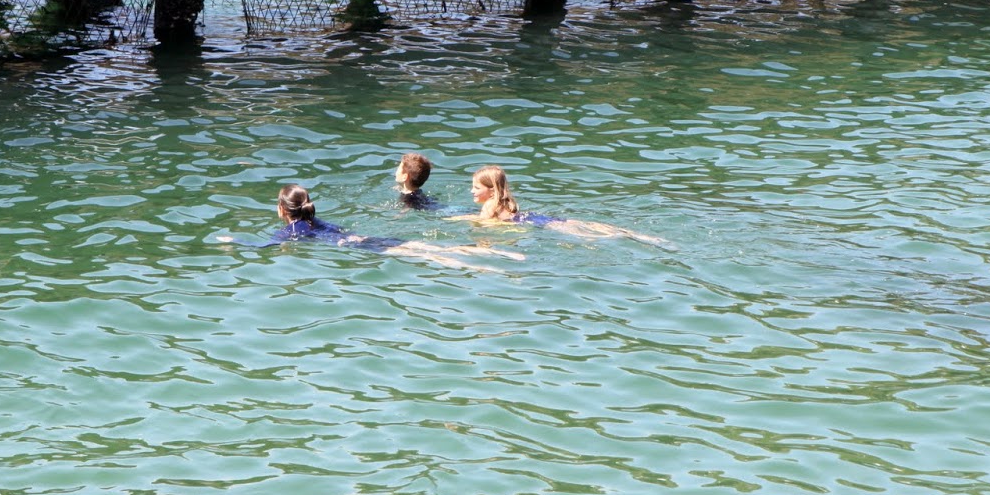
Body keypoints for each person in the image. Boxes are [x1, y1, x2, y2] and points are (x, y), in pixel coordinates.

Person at [216, 184, 524, 271]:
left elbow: (263, 246)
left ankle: (491, 266)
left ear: (282, 209)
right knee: (422, 248)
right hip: (362, 238)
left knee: (426, 255)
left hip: (354, 246)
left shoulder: (293, 230)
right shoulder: (314, 220)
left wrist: (234, 240)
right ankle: (499, 255)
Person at [456, 165, 671, 248]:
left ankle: (630, 238)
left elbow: (486, 227)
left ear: (491, 189)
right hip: (538, 218)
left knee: (591, 236)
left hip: (538, 224)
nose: (472, 191)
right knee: (592, 226)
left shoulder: (489, 205)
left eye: (476, 187)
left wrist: (460, 221)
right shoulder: (499, 201)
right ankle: (641, 236)